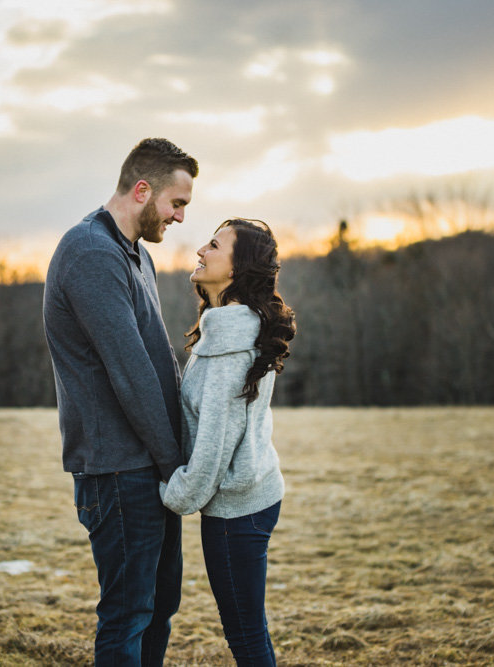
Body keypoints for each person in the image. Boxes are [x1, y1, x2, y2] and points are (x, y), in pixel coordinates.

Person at [42, 137, 198, 666]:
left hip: (147, 466)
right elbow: (131, 375)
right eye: (177, 203)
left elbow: (159, 362)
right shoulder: (90, 252)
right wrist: (176, 467)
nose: (179, 217)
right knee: (129, 613)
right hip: (118, 469)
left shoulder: (134, 256)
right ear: (141, 189)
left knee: (159, 605)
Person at [160, 218, 296, 667]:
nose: (200, 249)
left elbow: (214, 449)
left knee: (246, 635)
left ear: (237, 270)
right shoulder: (224, 327)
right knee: (247, 630)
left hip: (238, 510)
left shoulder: (231, 345)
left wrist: (172, 493)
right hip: (247, 499)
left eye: (214, 246)